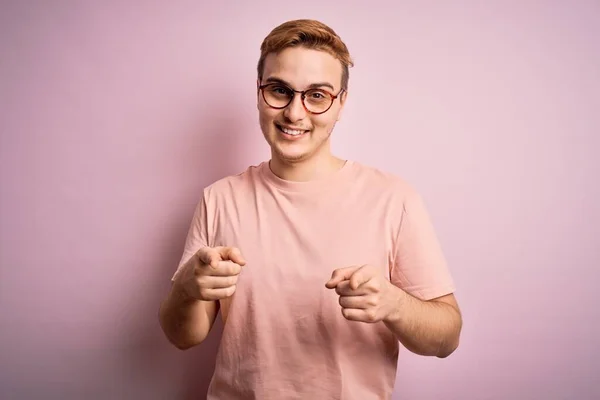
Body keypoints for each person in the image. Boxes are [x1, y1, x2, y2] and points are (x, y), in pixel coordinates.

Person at [159, 18, 462, 400]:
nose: (295, 113)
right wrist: (186, 289)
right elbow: (184, 336)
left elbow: (447, 337)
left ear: (341, 104)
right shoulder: (219, 199)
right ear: (259, 93)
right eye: (280, 90)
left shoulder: (393, 198)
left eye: (316, 95)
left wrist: (394, 303)